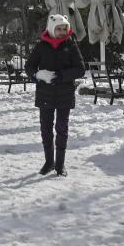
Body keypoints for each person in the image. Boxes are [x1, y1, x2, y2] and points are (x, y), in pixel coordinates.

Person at [25, 14, 86, 177]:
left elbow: (80, 69)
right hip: (45, 94)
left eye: (64, 29)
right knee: (46, 129)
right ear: (51, 28)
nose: (61, 32)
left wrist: (61, 75)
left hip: (64, 94)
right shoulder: (41, 46)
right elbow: (29, 66)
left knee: (61, 129)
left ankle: (60, 164)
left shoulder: (71, 45)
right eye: (58, 29)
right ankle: (48, 162)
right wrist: (38, 75)